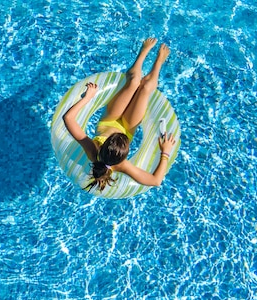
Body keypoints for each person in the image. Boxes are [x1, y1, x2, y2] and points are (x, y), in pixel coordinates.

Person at [62, 38, 176, 192]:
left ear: (104, 144)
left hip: (109, 121)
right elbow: (155, 181)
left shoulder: (93, 150)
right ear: (123, 156)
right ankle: (158, 63)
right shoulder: (122, 165)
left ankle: (142, 53)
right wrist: (165, 152)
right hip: (128, 128)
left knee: (134, 81)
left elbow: (67, 118)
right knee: (146, 87)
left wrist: (88, 98)